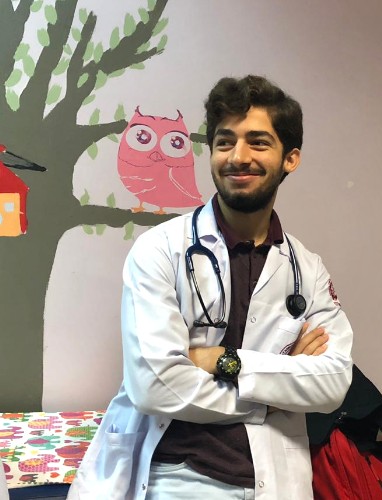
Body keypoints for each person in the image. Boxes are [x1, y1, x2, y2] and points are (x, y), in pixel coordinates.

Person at [68, 75, 353, 500]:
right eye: (224, 142)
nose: (238, 156)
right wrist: (274, 394)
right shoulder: (161, 250)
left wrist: (223, 360)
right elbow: (156, 385)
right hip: (173, 476)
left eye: (258, 142)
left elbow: (332, 382)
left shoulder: (307, 271)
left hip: (273, 481)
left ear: (290, 158)